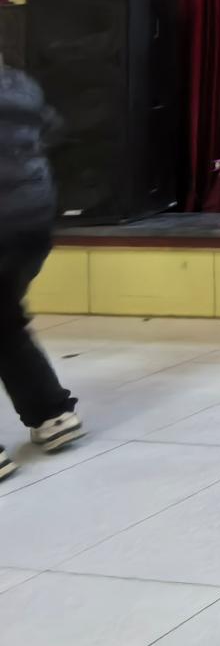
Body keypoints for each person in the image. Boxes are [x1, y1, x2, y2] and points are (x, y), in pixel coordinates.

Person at [0, 63, 81, 483]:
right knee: (4, 319)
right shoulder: (18, 82)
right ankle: (52, 414)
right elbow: (53, 130)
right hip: (31, 218)